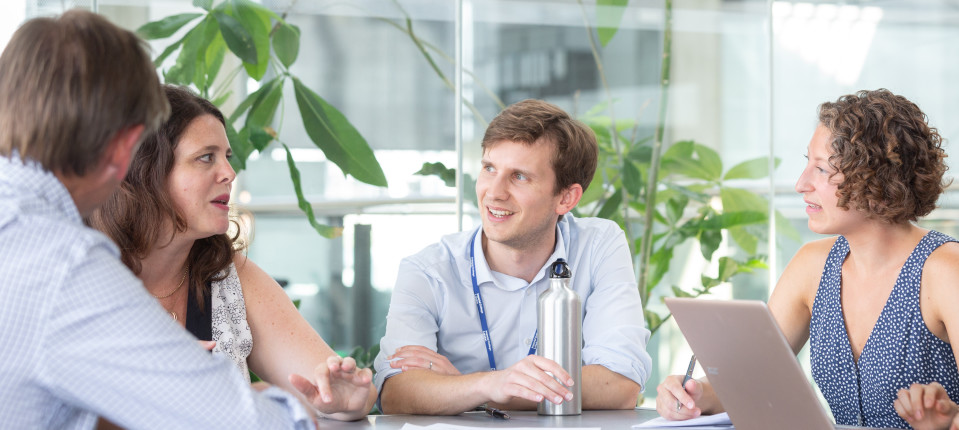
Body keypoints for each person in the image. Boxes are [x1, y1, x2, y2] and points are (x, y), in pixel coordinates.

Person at [0, 10, 313, 429]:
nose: (228, 173)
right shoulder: (65, 264)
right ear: (127, 149)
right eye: (204, 158)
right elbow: (247, 423)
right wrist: (255, 396)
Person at [655, 89, 959, 430]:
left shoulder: (946, 271)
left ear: (875, 177)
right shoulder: (812, 266)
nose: (802, 184)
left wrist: (946, 426)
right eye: (806, 165)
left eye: (821, 169)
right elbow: (753, 382)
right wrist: (693, 396)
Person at [88, 84, 376, 421]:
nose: (229, 173)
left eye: (226, 156)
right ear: (146, 170)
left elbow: (322, 386)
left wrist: (347, 399)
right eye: (206, 157)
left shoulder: (227, 275)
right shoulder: (80, 273)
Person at [372, 99, 652, 414]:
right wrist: (489, 384)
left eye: (519, 176)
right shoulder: (427, 271)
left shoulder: (599, 245)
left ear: (566, 198)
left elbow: (619, 384)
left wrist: (473, 388)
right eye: (489, 168)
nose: (494, 191)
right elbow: (397, 393)